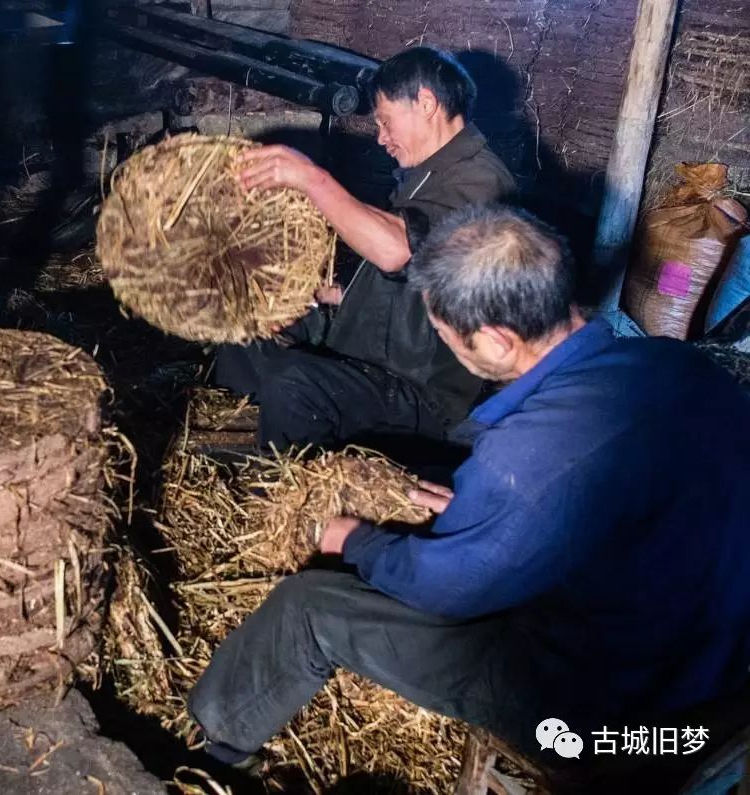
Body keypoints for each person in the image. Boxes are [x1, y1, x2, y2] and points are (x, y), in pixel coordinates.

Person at [189, 207, 750, 786]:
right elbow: (619, 507)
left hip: (621, 720)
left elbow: (445, 590)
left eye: (444, 334)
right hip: (719, 667)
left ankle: (212, 756)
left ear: (496, 341)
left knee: (309, 606)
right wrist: (490, 517)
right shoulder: (680, 366)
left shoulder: (528, 455)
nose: (444, 343)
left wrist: (357, 541)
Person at [215, 47, 516, 451]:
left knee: (296, 382)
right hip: (378, 351)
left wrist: (311, 179)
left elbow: (396, 252)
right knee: (248, 325)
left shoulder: (481, 182)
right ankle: (234, 440)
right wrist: (316, 298)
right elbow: (402, 285)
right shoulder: (428, 175)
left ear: (426, 103)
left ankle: (282, 488)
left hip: (422, 387)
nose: (381, 138)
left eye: (386, 121)